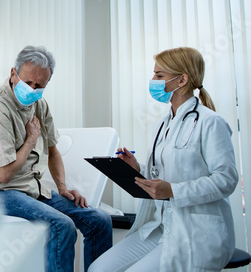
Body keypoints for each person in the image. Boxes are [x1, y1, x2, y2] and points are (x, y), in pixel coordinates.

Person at [89, 47, 239, 272]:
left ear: (182, 80)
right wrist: (136, 168)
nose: (153, 80)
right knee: (98, 269)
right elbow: (161, 176)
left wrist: (173, 191)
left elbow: (226, 179)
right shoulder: (163, 124)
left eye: (159, 76)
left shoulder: (211, 122)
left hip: (196, 232)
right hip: (161, 225)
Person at [0, 45, 112, 272]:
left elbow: (53, 150)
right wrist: (31, 140)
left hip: (29, 190)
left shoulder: (39, 104)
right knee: (62, 226)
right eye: (28, 83)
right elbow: (3, 175)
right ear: (13, 74)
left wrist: (63, 188)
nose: (33, 89)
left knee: (100, 221)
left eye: (39, 86)